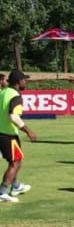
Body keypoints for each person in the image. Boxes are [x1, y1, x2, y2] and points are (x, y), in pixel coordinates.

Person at [0, 69, 37, 202]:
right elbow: (14, 117)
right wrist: (28, 131)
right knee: (15, 163)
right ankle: (2, 191)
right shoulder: (15, 95)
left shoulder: (3, 92)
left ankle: (15, 186)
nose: (25, 82)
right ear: (18, 81)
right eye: (24, 79)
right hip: (8, 134)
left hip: (2, 132)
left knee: (16, 161)